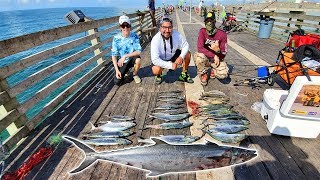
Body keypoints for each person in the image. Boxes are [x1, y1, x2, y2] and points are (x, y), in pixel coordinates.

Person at [150, 15, 194, 84]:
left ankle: (183, 74)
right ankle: (159, 75)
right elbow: (155, 59)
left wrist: (181, 57)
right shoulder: (155, 40)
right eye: (164, 27)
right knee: (155, 70)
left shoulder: (177, 35)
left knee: (187, 54)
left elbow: (186, 45)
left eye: (169, 27)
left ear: (172, 27)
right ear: (160, 28)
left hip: (173, 56)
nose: (167, 31)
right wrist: (170, 65)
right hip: (161, 59)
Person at [194, 11, 228, 86]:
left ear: (214, 21)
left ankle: (214, 69)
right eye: (207, 21)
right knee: (199, 57)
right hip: (206, 58)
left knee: (223, 74)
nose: (209, 23)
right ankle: (204, 73)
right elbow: (200, 48)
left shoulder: (222, 34)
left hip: (216, 60)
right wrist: (214, 55)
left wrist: (218, 51)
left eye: (211, 21)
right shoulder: (202, 31)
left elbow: (224, 53)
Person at [111, 15, 142, 86]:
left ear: (130, 26)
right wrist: (117, 70)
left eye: (127, 25)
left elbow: (139, 51)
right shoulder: (116, 38)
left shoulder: (134, 36)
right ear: (120, 27)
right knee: (117, 82)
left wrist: (125, 56)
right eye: (123, 26)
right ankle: (126, 71)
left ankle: (135, 74)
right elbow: (114, 55)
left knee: (138, 60)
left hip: (131, 58)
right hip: (122, 62)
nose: (125, 27)